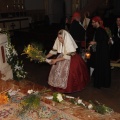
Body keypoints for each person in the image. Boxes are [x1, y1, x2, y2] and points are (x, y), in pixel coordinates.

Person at [87, 16, 111, 89]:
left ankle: (100, 83)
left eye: (93, 22)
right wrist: (95, 43)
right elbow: (101, 41)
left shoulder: (100, 30)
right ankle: (103, 83)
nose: (92, 24)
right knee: (102, 67)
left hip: (102, 53)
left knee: (101, 66)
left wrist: (95, 42)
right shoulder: (100, 30)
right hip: (102, 52)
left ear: (97, 22)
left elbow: (104, 42)